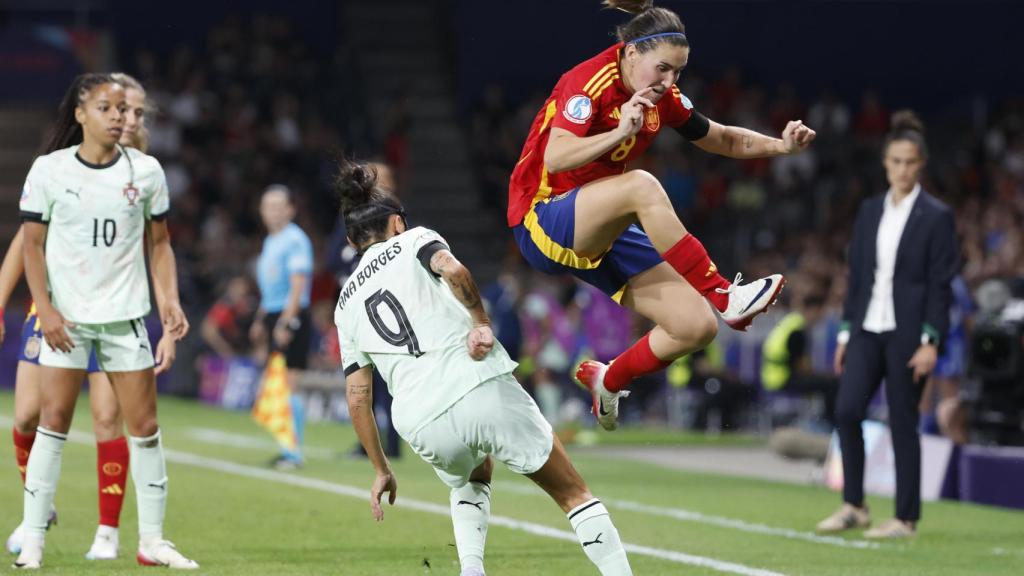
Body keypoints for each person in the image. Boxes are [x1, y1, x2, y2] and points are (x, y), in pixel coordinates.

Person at [507, 0, 816, 430]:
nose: (670, 81)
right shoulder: (588, 83)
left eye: (679, 72)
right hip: (542, 218)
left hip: (601, 219)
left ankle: (608, 380)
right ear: (632, 52)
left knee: (694, 326)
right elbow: (557, 158)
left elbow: (721, 139)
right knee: (642, 184)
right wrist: (619, 133)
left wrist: (780, 146)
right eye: (663, 68)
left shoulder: (660, 96)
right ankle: (725, 293)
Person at [335, 159, 633, 576]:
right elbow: (453, 270)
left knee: (473, 475)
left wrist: (381, 470)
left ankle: (471, 570)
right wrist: (481, 322)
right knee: (572, 492)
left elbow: (358, 397)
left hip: (419, 421)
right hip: (474, 382)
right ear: (398, 224)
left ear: (352, 241)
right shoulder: (417, 238)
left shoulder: (345, 303)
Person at [14, 72, 196, 569]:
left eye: (123, 109)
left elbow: (160, 244)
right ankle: (33, 539)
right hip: (66, 321)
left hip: (124, 320)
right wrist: (45, 308)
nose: (118, 117)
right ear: (80, 114)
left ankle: (151, 541)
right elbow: (30, 245)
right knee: (52, 422)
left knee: (146, 426)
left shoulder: (147, 171)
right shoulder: (49, 171)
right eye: (105, 108)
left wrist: (169, 301)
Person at [816, 110, 958, 539]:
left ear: (921, 164)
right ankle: (854, 505)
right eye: (895, 161)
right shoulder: (869, 211)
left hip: (908, 333)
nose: (902, 169)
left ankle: (906, 518)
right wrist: (845, 331)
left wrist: (931, 341)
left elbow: (940, 283)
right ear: (885, 163)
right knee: (846, 410)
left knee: (902, 422)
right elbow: (857, 277)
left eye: (910, 162)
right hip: (865, 328)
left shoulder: (936, 216)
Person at [250, 185, 313, 469]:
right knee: (277, 384)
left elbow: (297, 285)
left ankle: (293, 453)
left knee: (290, 384)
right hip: (275, 312)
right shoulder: (271, 241)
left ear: (290, 209)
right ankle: (287, 447)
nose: (273, 211)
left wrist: (287, 321)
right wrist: (261, 318)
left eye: (278, 205)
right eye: (268, 205)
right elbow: (272, 288)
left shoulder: (295, 240)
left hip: (292, 314)